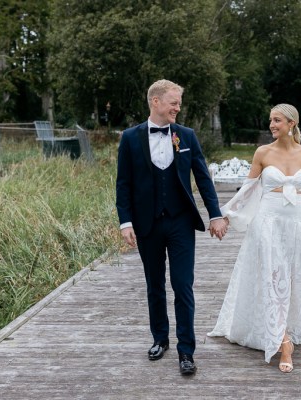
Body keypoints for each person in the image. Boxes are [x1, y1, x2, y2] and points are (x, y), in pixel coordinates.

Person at [208, 104, 301, 373]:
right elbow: (248, 191)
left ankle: (287, 331)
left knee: (296, 278)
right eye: (270, 121)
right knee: (271, 278)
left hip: (296, 226)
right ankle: (283, 341)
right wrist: (226, 215)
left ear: (291, 123)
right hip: (267, 224)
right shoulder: (262, 153)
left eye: (277, 120)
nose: (272, 125)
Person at [116, 79, 228, 376]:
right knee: (154, 284)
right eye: (173, 102)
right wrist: (125, 222)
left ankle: (186, 350)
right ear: (156, 102)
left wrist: (215, 214)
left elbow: (203, 178)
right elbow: (123, 183)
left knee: (182, 285)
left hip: (180, 222)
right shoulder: (130, 138)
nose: (178, 108)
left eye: (179, 103)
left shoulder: (186, 136)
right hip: (146, 223)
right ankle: (160, 338)